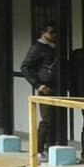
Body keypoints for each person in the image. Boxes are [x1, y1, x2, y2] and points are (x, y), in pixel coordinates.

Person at [21, 22, 59, 158]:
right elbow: (25, 67)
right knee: (47, 120)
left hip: (57, 87)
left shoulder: (55, 47)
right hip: (45, 87)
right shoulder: (37, 48)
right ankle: (39, 149)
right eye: (51, 32)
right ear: (43, 32)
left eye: (55, 32)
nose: (54, 35)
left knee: (56, 120)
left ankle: (51, 147)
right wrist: (38, 85)